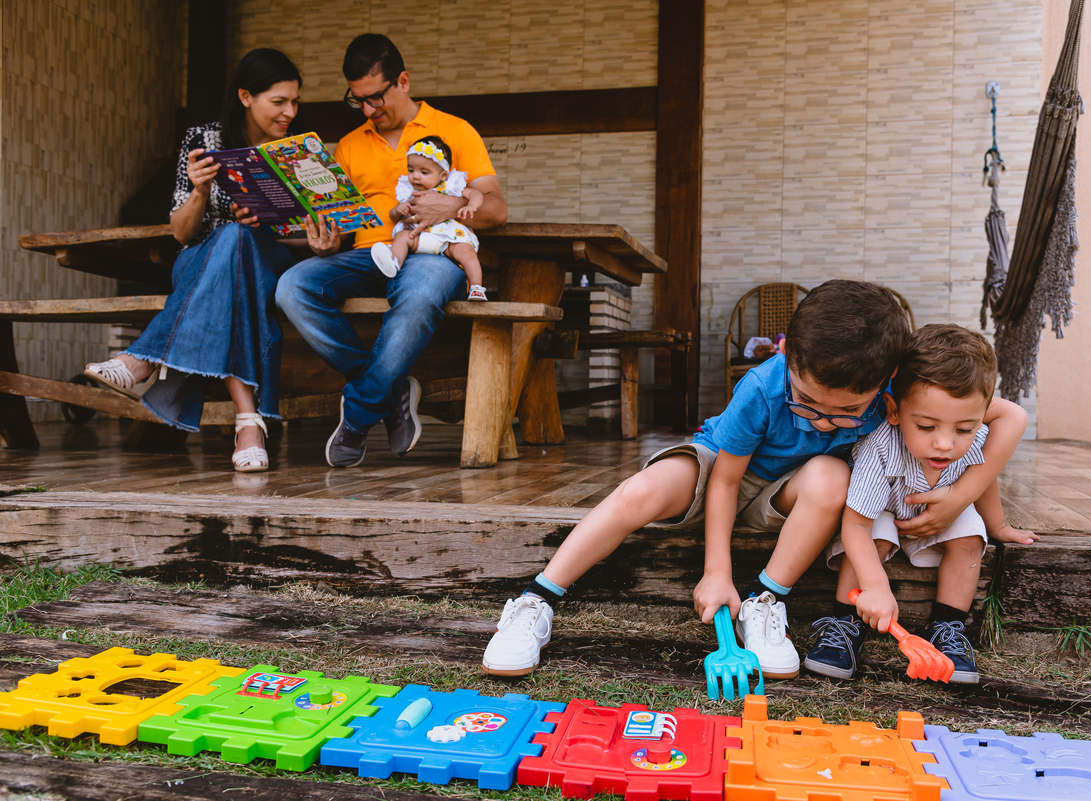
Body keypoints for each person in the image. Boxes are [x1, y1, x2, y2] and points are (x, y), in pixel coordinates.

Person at [481, 280, 920, 677]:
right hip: (722, 467)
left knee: (832, 475)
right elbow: (726, 482)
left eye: (846, 412)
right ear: (786, 353)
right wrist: (716, 573)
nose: (824, 423)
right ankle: (536, 599)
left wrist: (955, 501)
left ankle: (764, 601)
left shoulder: (891, 400)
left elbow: (987, 416)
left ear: (888, 380)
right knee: (640, 491)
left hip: (788, 495)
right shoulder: (762, 387)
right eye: (806, 402)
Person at [275, 34, 506, 468]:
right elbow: (339, 225)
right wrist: (325, 241)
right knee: (292, 286)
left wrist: (454, 204)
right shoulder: (347, 144)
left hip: (432, 255)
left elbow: (496, 209)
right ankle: (392, 388)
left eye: (376, 97)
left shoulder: (455, 130)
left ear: (402, 81)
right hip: (368, 255)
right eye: (357, 100)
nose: (367, 110)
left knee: (419, 293)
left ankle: (359, 415)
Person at [83, 49, 303, 472]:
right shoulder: (204, 140)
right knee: (231, 245)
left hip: (270, 262)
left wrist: (299, 232)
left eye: (295, 101)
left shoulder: (295, 148)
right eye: (279, 102)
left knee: (240, 239)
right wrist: (201, 192)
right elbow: (182, 234)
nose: (289, 112)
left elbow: (306, 234)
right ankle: (249, 423)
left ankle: (142, 359)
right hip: (200, 260)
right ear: (245, 96)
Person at [804, 324, 1038, 684]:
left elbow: (983, 477)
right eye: (927, 427)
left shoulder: (974, 438)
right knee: (873, 540)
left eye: (963, 429)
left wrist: (999, 527)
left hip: (940, 515)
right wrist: (876, 586)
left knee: (970, 539)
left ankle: (948, 628)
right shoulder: (880, 448)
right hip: (883, 511)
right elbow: (855, 526)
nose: (946, 444)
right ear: (894, 411)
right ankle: (845, 623)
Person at [370, 136, 487, 301]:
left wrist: (472, 205)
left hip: (449, 240)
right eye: (411, 170)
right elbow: (392, 215)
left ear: (444, 174)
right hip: (421, 237)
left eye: (424, 172)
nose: (415, 177)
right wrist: (398, 210)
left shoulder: (450, 186)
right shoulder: (408, 190)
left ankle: (476, 287)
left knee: (466, 252)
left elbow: (476, 193)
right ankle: (394, 263)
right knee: (402, 237)